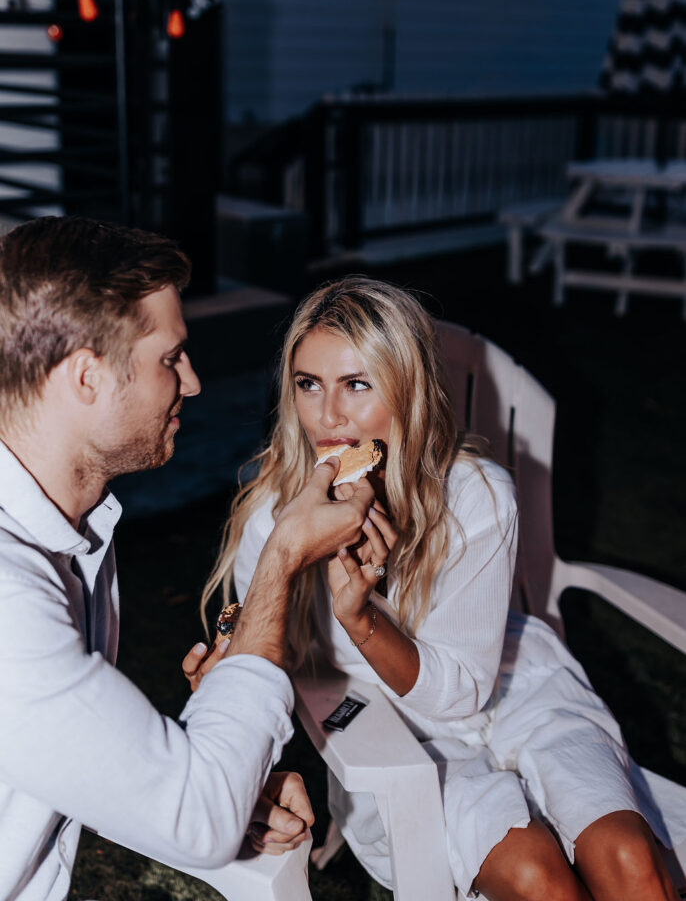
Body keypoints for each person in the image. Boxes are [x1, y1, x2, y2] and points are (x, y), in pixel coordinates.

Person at [202, 275, 686, 901]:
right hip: (395, 728)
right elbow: (255, 654)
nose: (328, 416)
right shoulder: (277, 516)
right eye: (308, 384)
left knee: (628, 862)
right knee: (538, 878)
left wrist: (364, 618)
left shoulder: (476, 495)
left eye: (356, 384)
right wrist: (251, 653)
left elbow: (466, 689)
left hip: (519, 693)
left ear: (407, 387)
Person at [0, 216, 373, 901]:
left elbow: (57, 752)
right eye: (171, 358)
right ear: (86, 377)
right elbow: (198, 821)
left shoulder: (69, 530)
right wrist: (283, 556)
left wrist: (211, 780)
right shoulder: (9, 598)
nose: (194, 382)